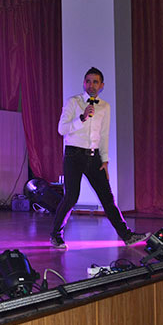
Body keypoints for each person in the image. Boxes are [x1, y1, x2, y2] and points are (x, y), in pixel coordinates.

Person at [50, 67, 149, 249]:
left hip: (94, 156)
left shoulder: (105, 107)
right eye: (88, 81)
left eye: (95, 82)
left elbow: (103, 135)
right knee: (71, 197)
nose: (91, 85)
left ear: (101, 85)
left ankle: (127, 236)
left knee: (107, 198)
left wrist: (105, 160)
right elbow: (62, 129)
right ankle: (56, 235)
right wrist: (82, 117)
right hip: (73, 155)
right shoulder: (73, 102)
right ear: (83, 83)